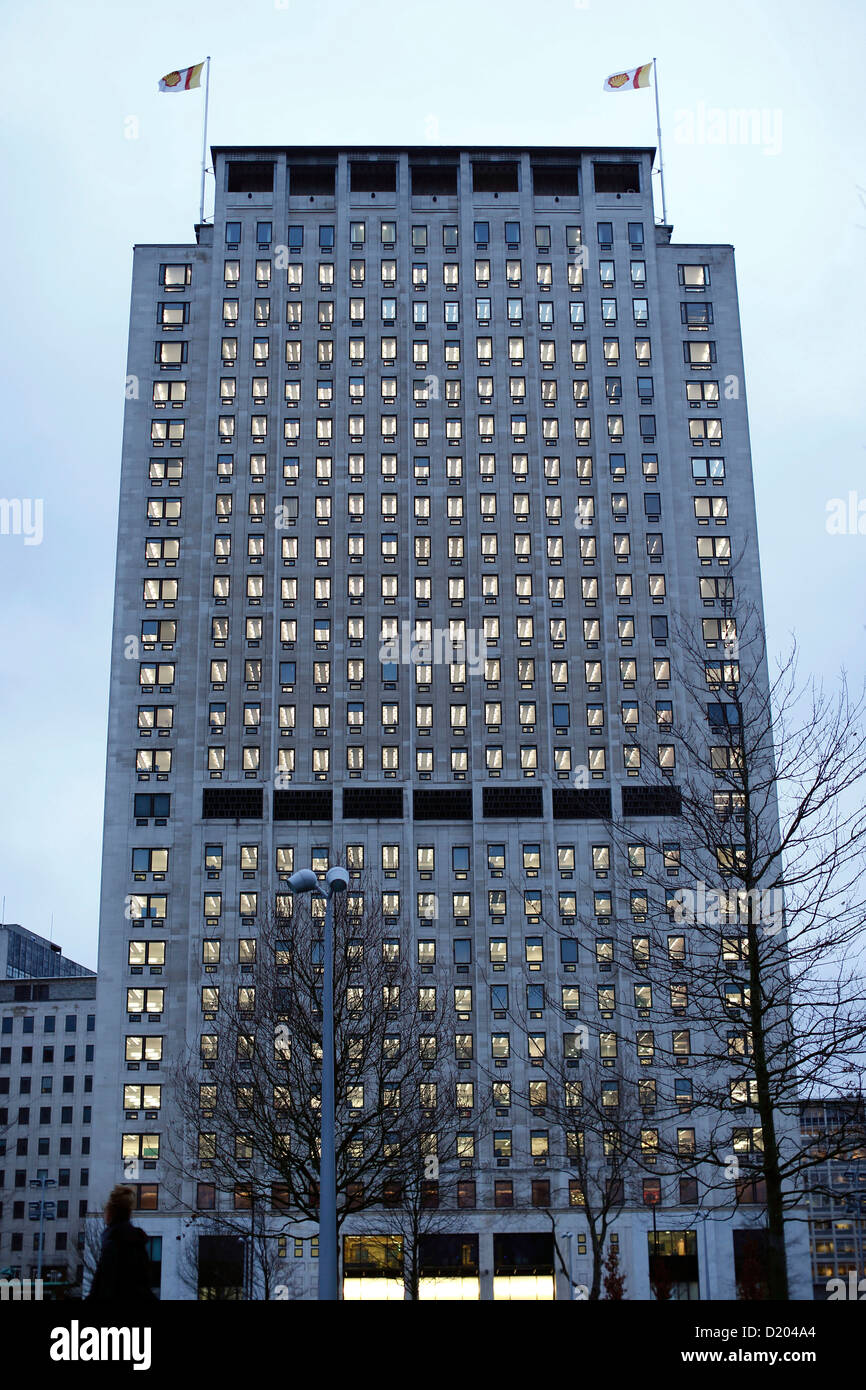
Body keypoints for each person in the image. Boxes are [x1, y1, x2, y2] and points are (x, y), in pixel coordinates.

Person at [85, 1184, 157, 1302]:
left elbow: (103, 1286)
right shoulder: (136, 1241)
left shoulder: (113, 1242)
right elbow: (142, 1285)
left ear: (111, 1212)